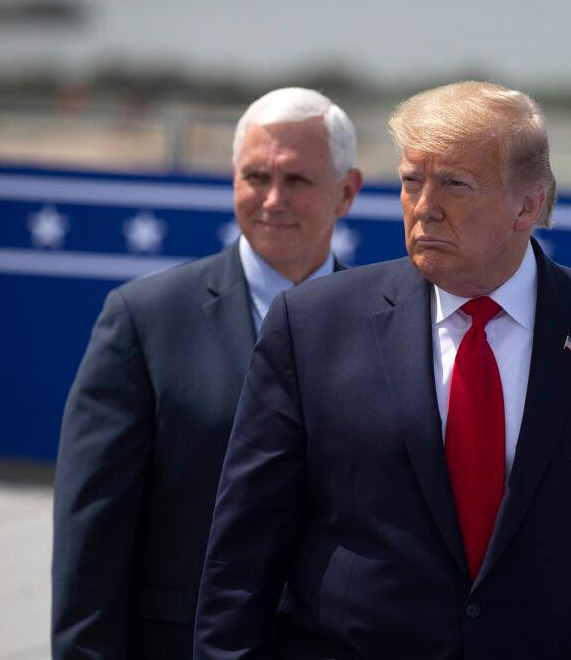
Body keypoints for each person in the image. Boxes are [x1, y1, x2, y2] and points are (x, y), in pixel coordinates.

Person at [194, 81, 571, 659]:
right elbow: (240, 563)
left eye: (455, 184)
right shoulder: (311, 327)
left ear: (528, 204)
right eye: (412, 181)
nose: (424, 206)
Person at [51, 88, 363, 659]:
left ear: (347, 191)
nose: (272, 199)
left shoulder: (387, 325)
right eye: (254, 176)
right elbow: (91, 538)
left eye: (297, 180)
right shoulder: (143, 321)